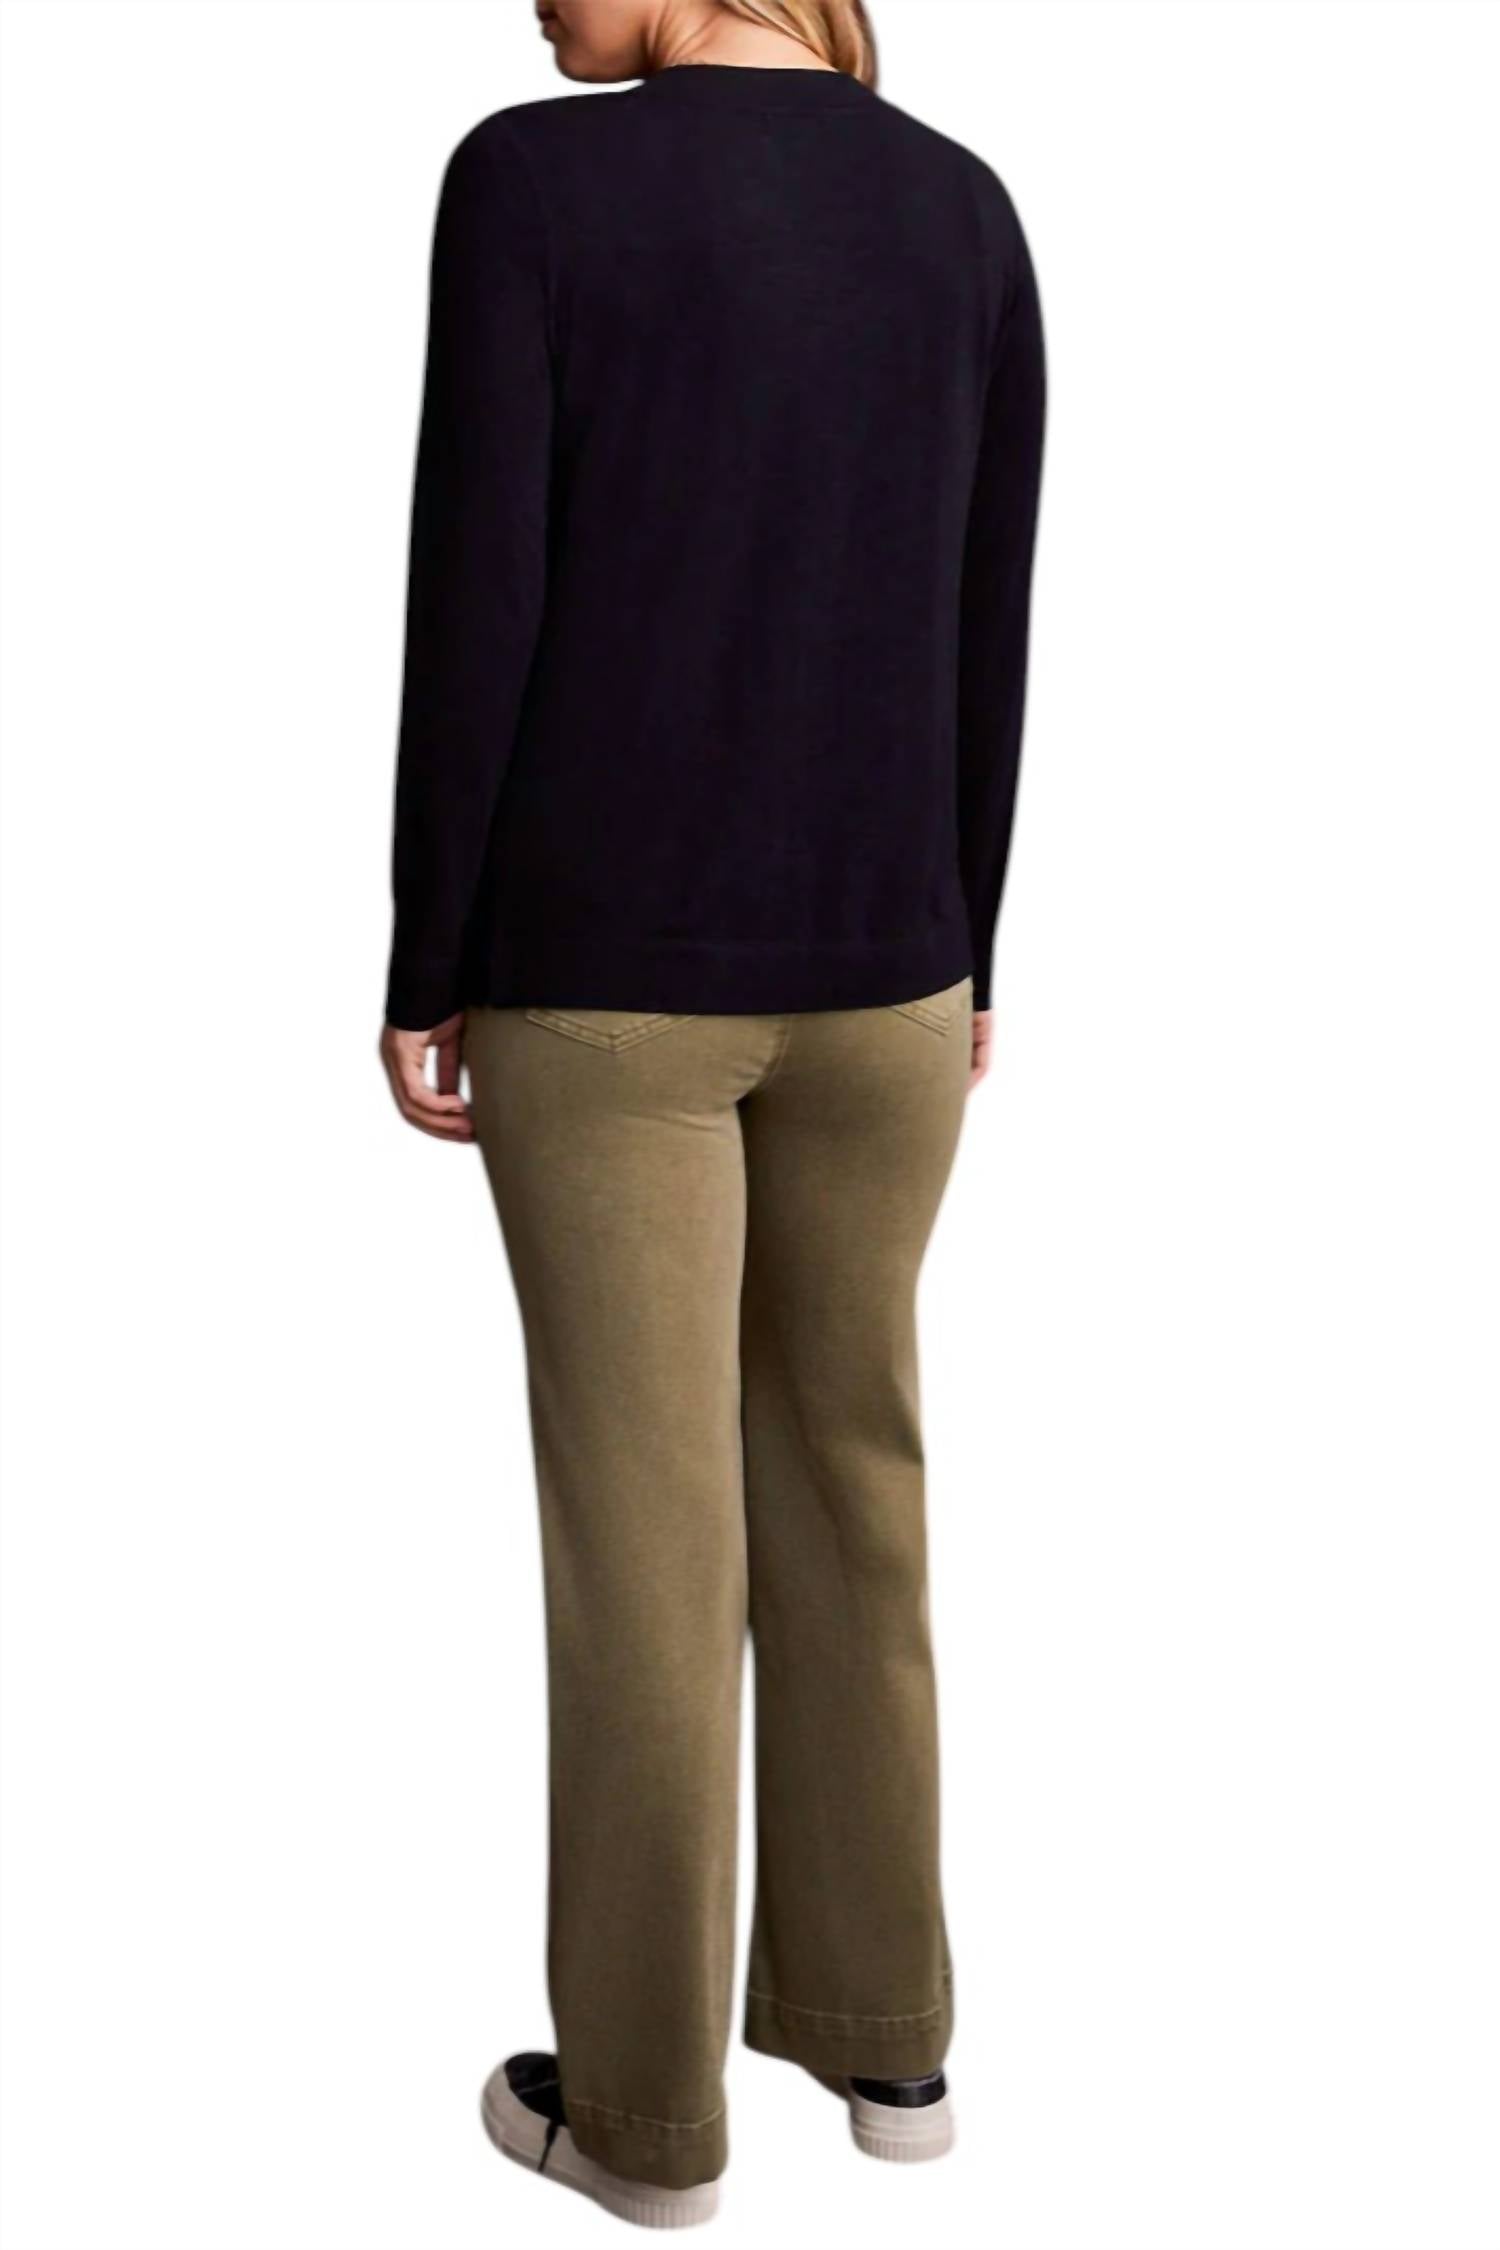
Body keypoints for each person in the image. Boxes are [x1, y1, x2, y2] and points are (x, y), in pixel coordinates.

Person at [379, 0, 1044, 2227]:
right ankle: (890, 2041)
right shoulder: (959, 210)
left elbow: (478, 585)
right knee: (858, 1486)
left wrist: (426, 956)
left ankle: (643, 2121)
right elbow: (985, 618)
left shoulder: (532, 182)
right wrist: (968, 947)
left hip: (609, 978)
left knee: (648, 1546)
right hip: (894, 973)